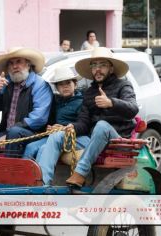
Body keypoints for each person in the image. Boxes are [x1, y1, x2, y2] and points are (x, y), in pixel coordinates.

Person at [36, 47, 139, 186]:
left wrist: (111, 103)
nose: (98, 69)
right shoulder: (90, 92)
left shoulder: (123, 85)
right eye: (94, 65)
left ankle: (80, 174)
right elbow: (83, 123)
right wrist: (72, 127)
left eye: (102, 65)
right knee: (57, 136)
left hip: (116, 140)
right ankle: (42, 184)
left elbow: (133, 109)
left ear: (111, 69)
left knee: (102, 125)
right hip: (92, 139)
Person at [0, 47, 53, 157]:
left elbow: (39, 118)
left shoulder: (40, 85)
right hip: (7, 132)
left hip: (34, 134)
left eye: (19, 62)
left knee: (14, 134)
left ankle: (9, 172)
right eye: (11, 63)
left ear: (28, 64)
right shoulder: (7, 84)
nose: (14, 66)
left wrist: (9, 135)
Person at [22, 66, 88, 160]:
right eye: (61, 84)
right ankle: (26, 174)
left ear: (75, 84)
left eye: (68, 83)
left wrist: (65, 128)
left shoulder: (82, 101)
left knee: (43, 149)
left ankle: (40, 175)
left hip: (76, 137)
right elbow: (50, 121)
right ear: (57, 88)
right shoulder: (55, 102)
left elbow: (84, 125)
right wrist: (49, 128)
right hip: (54, 136)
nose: (65, 86)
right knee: (30, 147)